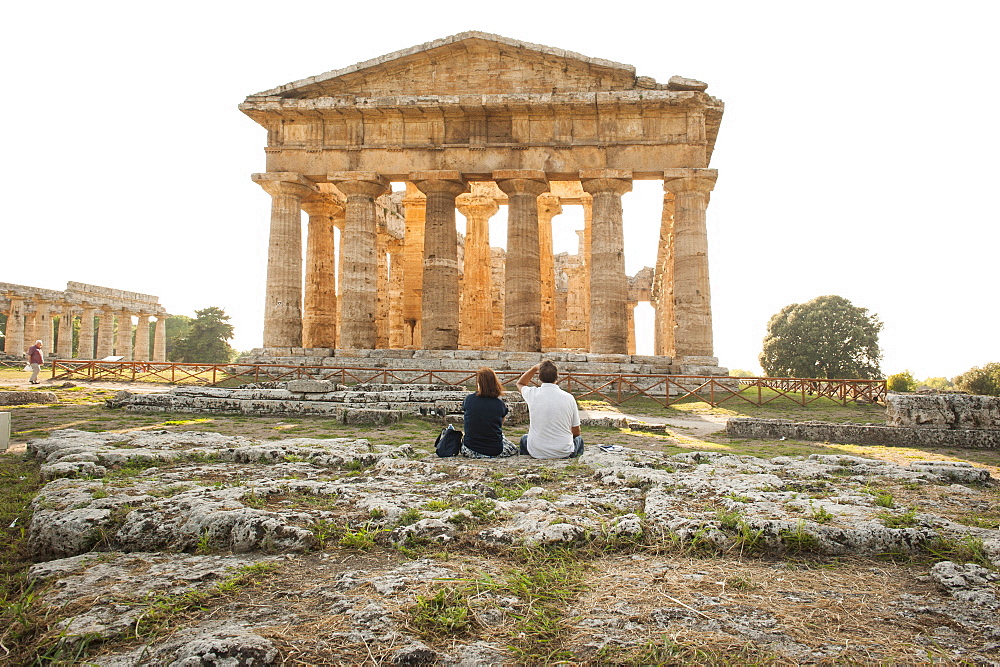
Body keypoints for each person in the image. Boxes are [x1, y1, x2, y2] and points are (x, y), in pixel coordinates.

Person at [516, 360, 584, 459]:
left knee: (524, 439)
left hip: (536, 450)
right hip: (563, 452)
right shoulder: (569, 398)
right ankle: (577, 461)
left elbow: (520, 383)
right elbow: (576, 432)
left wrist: (534, 368)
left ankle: (525, 461)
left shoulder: (532, 394)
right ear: (557, 377)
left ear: (539, 377)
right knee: (579, 439)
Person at [460, 367, 518, 458]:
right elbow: (501, 422)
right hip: (493, 450)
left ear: (479, 383)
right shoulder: (499, 404)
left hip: (470, 449)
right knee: (514, 448)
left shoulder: (469, 399)